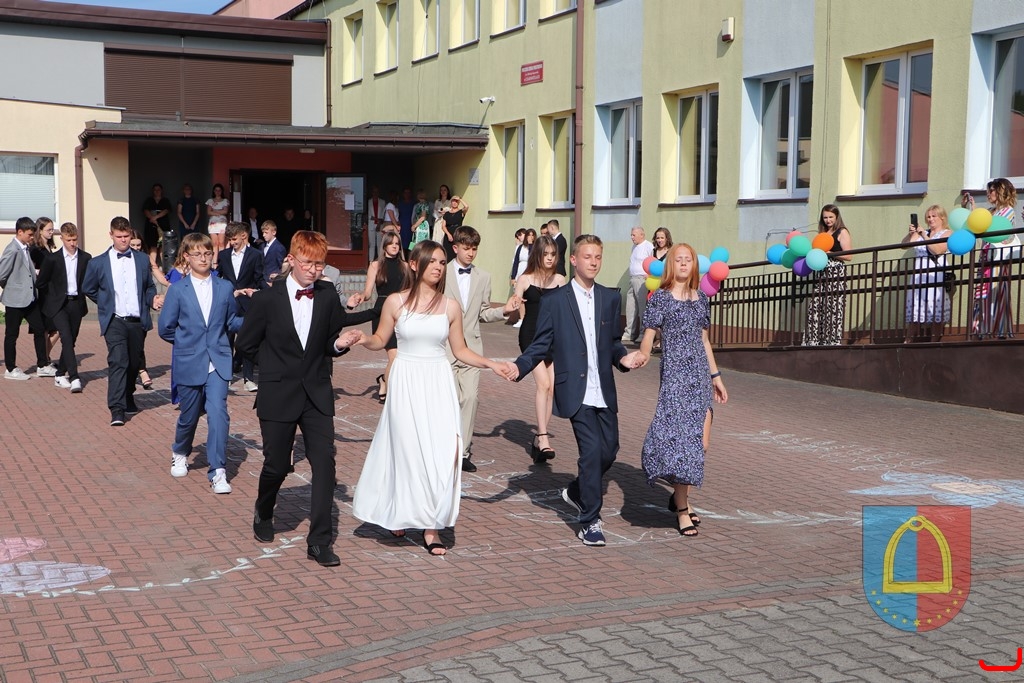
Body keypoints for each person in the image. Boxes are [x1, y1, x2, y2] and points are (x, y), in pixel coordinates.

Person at [352, 240, 513, 556]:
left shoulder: (450, 306)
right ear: (415, 264)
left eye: (442, 261)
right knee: (406, 451)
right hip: (406, 380)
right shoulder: (395, 302)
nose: (439, 267)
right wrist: (361, 339)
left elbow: (461, 350)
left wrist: (492, 364)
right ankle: (400, 512)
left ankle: (431, 527)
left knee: (442, 453)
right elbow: (380, 339)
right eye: (433, 261)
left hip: (438, 382)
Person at [236, 230, 371, 568]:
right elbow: (246, 345)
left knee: (325, 464)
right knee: (277, 465)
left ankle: (319, 542)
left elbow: (327, 343)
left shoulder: (326, 296)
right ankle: (264, 509)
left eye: (319, 265)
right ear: (292, 260)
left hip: (316, 393)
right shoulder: (267, 299)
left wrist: (339, 345)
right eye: (308, 263)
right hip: (278, 393)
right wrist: (273, 369)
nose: (314, 270)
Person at [505, 235, 644, 546]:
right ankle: (590, 520)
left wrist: (623, 358)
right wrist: (519, 366)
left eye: (598, 257)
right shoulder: (556, 301)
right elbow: (540, 343)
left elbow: (613, 343)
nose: (593, 262)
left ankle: (578, 490)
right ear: (574, 260)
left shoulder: (610, 297)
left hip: (603, 389)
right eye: (587, 256)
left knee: (609, 450)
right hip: (575, 389)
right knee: (591, 451)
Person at [632, 243, 728, 538]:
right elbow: (649, 335)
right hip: (675, 378)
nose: (684, 263)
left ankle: (677, 497)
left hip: (699, 378)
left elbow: (704, 341)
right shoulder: (660, 298)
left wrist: (716, 376)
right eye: (679, 259)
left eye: (688, 259)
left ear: (694, 265)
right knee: (684, 444)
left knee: (700, 444)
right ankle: (683, 510)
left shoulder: (701, 299)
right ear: (671, 265)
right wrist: (643, 354)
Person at [158, 233, 241, 494]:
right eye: (197, 254)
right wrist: (187, 344)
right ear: (187, 257)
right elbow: (165, 328)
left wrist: (258, 319)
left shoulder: (225, 287)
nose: (203, 259)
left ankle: (218, 471)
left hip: (218, 360)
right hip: (189, 360)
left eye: (207, 253)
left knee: (218, 414)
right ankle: (180, 451)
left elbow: (231, 321)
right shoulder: (177, 290)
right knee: (189, 415)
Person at [444, 226, 518, 472]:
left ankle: (463, 452)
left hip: (472, 348)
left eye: (474, 249)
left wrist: (504, 310)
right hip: (444, 347)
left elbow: (484, 313)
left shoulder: (483, 277)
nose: (471, 253)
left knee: (470, 398)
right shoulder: (441, 272)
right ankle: (445, 448)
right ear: (455, 248)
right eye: (466, 248)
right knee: (450, 400)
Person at [81, 216, 163, 426]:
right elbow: (88, 288)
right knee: (118, 361)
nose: (123, 240)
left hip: (137, 320)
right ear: (111, 235)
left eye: (126, 236)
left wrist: (152, 299)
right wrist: (106, 303)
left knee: (134, 363)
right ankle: (116, 409)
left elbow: (148, 286)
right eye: (119, 236)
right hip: (114, 320)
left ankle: (127, 394)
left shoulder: (142, 259)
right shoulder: (98, 262)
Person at [513, 235, 566, 464]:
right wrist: (514, 302)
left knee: (552, 388)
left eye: (553, 254)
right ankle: (543, 437)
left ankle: (538, 440)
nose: (550, 258)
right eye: (546, 254)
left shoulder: (560, 280)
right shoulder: (525, 279)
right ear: (538, 255)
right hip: (531, 337)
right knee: (543, 384)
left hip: (553, 338)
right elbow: (515, 300)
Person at [350, 231, 408, 403]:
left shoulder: (405, 266)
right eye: (391, 243)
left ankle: (384, 381)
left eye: (397, 243)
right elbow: (368, 292)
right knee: (394, 356)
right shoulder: (375, 265)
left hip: (401, 310)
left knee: (398, 356)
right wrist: (361, 297)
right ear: (384, 246)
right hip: (382, 311)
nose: (395, 246)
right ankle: (391, 396)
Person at [35, 221, 91, 392]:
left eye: (74, 239)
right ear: (62, 239)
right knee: (65, 337)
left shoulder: (85, 258)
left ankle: (59, 374)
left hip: (76, 303)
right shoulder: (52, 259)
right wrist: (51, 300)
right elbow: (41, 283)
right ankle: (74, 377)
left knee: (71, 341)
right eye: (68, 240)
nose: (72, 243)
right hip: (59, 305)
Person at [967, 178, 1019, 339]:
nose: (988, 194)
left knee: (995, 293)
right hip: (986, 259)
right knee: (982, 294)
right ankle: (981, 331)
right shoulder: (990, 211)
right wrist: (972, 210)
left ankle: (998, 331)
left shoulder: (1008, 211)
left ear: (1001, 191)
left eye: (991, 191)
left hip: (998, 259)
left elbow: (992, 229)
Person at [218, 222, 265, 392]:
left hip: (247, 303)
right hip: (229, 303)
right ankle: (226, 376)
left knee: (248, 341)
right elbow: (218, 277)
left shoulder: (255, 255)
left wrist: (264, 293)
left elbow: (259, 278)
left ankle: (248, 378)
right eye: (230, 240)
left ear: (243, 236)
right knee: (226, 341)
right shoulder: (223, 255)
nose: (232, 243)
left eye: (234, 239)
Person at [1, 217, 49, 380]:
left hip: (29, 299)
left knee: (40, 329)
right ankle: (10, 368)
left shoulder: (25, 248)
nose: (32, 237)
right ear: (20, 232)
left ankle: (42, 365)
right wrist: (13, 287)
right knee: (12, 334)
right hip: (15, 300)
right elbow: (1, 274)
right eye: (29, 234)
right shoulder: (12, 249)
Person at [803, 204, 852, 346]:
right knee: (816, 306)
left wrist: (831, 253)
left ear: (837, 217)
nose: (828, 220)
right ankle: (813, 340)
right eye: (825, 217)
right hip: (821, 273)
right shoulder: (822, 234)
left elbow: (849, 255)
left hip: (835, 272)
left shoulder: (842, 231)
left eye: (831, 217)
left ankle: (832, 341)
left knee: (833, 307)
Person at [902, 206, 952, 343]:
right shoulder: (922, 232)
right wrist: (911, 234)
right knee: (916, 307)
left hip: (935, 274)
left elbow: (938, 250)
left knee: (935, 306)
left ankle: (934, 341)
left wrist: (924, 235)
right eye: (928, 217)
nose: (930, 219)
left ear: (942, 217)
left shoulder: (947, 233)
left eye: (934, 216)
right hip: (919, 274)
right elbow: (904, 245)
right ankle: (908, 340)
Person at [29, 217, 60, 371]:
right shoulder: (35, 249)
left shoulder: (48, 247)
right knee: (45, 328)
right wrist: (40, 272)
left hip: (51, 293)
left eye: (52, 229)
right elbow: (31, 269)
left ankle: (44, 358)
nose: (51, 232)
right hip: (41, 294)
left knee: (56, 328)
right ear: (40, 231)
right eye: (48, 229)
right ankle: (43, 361)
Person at [128, 233, 156, 390]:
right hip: (123, 313)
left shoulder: (144, 260)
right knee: (128, 346)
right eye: (133, 245)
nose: (136, 248)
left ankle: (138, 369)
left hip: (141, 309)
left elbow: (152, 282)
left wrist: (154, 299)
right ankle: (142, 371)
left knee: (138, 343)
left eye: (138, 245)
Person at [624, 227, 654, 343]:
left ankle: (642, 333)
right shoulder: (634, 247)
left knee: (642, 308)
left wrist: (649, 274)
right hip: (632, 279)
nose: (632, 237)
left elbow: (653, 261)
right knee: (630, 307)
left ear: (642, 235)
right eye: (631, 235)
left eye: (634, 235)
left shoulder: (648, 246)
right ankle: (629, 333)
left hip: (641, 280)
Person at [143, 183, 174, 270]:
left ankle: (165, 268)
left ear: (161, 191)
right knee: (153, 246)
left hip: (163, 224)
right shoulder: (149, 200)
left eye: (158, 190)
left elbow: (166, 210)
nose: (157, 191)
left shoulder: (165, 200)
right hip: (151, 225)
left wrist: (156, 217)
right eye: (155, 190)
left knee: (163, 246)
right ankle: (152, 268)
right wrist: (152, 218)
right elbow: (145, 210)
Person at [437, 195, 468, 262]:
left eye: (456, 201)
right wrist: (448, 234)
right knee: (447, 253)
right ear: (451, 202)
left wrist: (460, 199)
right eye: (453, 201)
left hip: (457, 233)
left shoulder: (461, 212)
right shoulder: (447, 213)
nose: (454, 203)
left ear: (458, 203)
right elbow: (443, 226)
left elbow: (466, 207)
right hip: (448, 234)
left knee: (457, 252)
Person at [205, 184, 229, 266]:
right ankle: (214, 262)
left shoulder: (225, 200)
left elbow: (225, 211)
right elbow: (208, 212)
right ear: (214, 191)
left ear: (222, 191)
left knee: (221, 243)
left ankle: (221, 262)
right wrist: (219, 212)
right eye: (216, 190)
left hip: (222, 223)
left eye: (219, 190)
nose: (218, 192)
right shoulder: (210, 200)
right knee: (214, 243)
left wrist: (214, 211)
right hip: (213, 224)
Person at [261, 220, 286, 285]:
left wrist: (278, 275)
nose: (263, 235)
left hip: (272, 281)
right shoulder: (262, 246)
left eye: (266, 233)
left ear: (274, 232)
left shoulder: (279, 247)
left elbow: (283, 266)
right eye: (263, 232)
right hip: (263, 281)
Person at [397, 187, 416, 251]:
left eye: (408, 193)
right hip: (402, 224)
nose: (407, 194)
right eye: (405, 192)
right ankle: (402, 255)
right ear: (403, 194)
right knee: (402, 241)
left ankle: (410, 254)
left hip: (411, 224)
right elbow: (397, 214)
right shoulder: (400, 203)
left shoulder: (414, 203)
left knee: (411, 241)